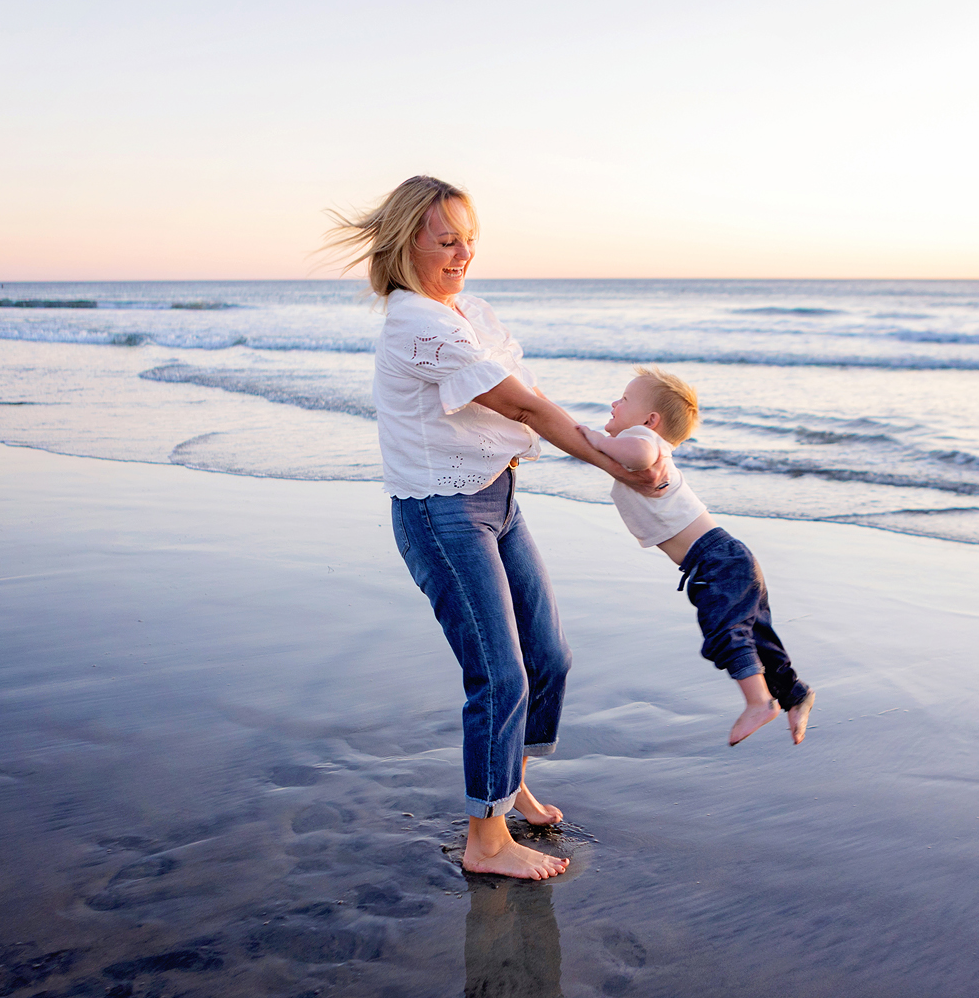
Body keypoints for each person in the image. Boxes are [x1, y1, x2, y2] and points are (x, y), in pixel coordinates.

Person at [324, 176, 670, 880]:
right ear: (405, 241)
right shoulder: (418, 324)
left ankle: (505, 785)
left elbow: (531, 401)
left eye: (469, 239)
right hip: (441, 514)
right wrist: (619, 465)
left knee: (548, 657)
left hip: (496, 501)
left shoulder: (466, 312)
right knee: (498, 673)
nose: (462, 254)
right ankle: (486, 839)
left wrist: (605, 449)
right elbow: (529, 412)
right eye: (445, 240)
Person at [578, 367, 816, 748]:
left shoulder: (642, 439)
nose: (613, 403)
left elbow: (638, 453)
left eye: (623, 400)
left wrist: (592, 438)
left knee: (727, 632)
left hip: (717, 560)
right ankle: (794, 694)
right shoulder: (647, 442)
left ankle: (759, 701)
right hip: (727, 557)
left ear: (649, 420)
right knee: (758, 636)